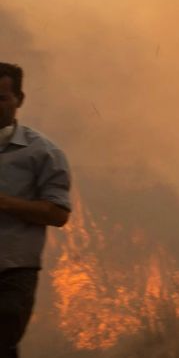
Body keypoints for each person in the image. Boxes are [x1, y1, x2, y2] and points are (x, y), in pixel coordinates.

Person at [0, 63, 71, 358]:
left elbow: (57, 214)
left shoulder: (42, 153)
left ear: (20, 99)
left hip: (12, 273)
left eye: (0, 97)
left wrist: (4, 202)